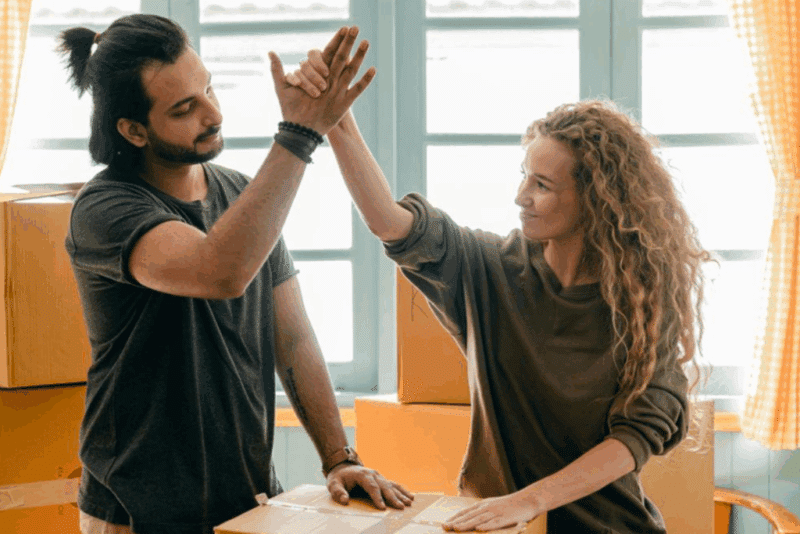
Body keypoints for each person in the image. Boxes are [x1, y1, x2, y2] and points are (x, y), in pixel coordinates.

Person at [288, 45, 711, 533]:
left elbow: (636, 436)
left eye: (542, 185)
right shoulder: (488, 268)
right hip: (498, 528)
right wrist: (338, 122)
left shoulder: (642, 300)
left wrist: (529, 500)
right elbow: (391, 222)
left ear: (596, 201)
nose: (520, 197)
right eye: (523, 176)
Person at [57, 16, 412, 534]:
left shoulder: (242, 194)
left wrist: (339, 457)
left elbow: (292, 337)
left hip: (246, 498)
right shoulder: (105, 208)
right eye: (184, 109)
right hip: (135, 511)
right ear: (134, 131)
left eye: (208, 88)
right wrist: (300, 133)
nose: (213, 113)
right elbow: (220, 272)